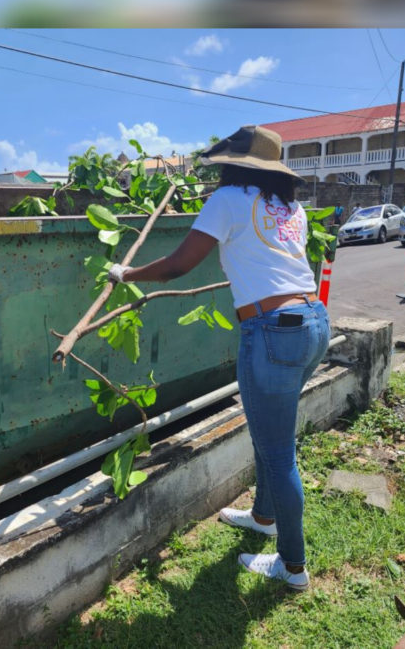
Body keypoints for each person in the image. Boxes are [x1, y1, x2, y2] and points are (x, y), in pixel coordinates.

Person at [108, 125, 331, 590]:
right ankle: (264, 517)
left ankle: (293, 567)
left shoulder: (227, 200)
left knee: (279, 452)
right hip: (313, 322)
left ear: (234, 164)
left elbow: (178, 265)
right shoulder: (291, 207)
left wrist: (126, 273)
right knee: (272, 434)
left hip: (271, 330)